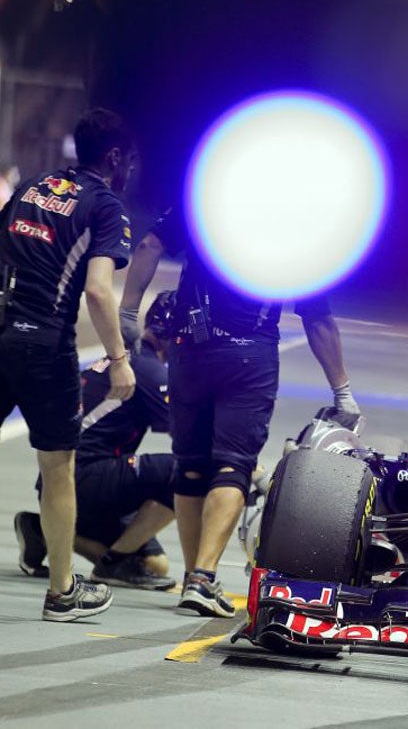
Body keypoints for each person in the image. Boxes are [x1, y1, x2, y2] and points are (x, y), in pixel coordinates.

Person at [119, 213, 361, 617]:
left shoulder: (206, 196)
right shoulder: (300, 232)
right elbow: (317, 317)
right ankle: (202, 576)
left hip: (189, 350)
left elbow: (148, 246)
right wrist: (343, 391)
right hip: (249, 354)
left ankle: (194, 578)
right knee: (233, 464)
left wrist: (128, 310)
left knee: (191, 466)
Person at [0, 108, 136, 621]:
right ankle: (62, 592)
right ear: (116, 156)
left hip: (1, 328)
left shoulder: (34, 185)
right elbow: (99, 293)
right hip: (45, 345)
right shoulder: (105, 205)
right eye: (132, 160)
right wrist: (120, 361)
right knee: (58, 467)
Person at [14, 291, 179, 591]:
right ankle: (112, 564)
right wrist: (248, 469)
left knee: (156, 566)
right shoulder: (148, 369)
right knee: (183, 471)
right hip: (86, 477)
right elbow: (187, 440)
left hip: (70, 481)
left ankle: (43, 529)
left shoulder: (127, 360)